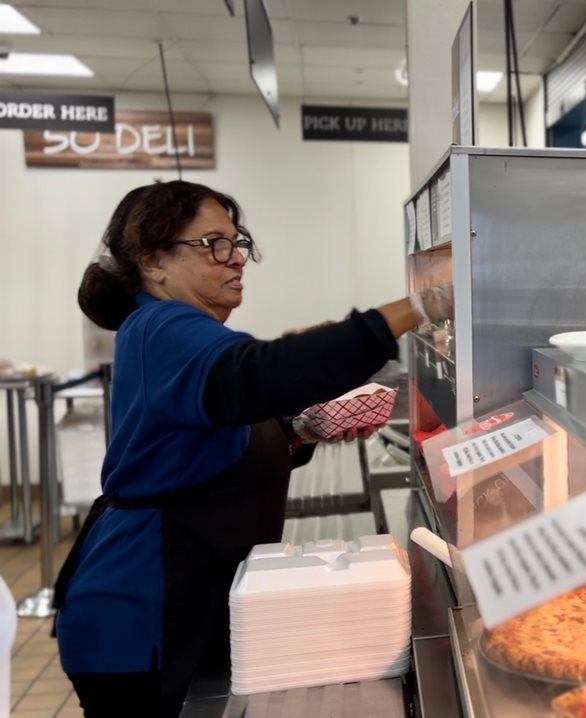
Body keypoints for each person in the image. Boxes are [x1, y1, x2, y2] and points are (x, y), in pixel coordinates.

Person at [53, 181, 451, 716]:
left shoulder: (183, 331)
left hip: (187, 602)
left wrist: (299, 432)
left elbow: (212, 436)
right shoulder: (161, 326)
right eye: (214, 244)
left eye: (238, 243)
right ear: (154, 261)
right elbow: (265, 374)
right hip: (142, 615)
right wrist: (418, 307)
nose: (236, 259)